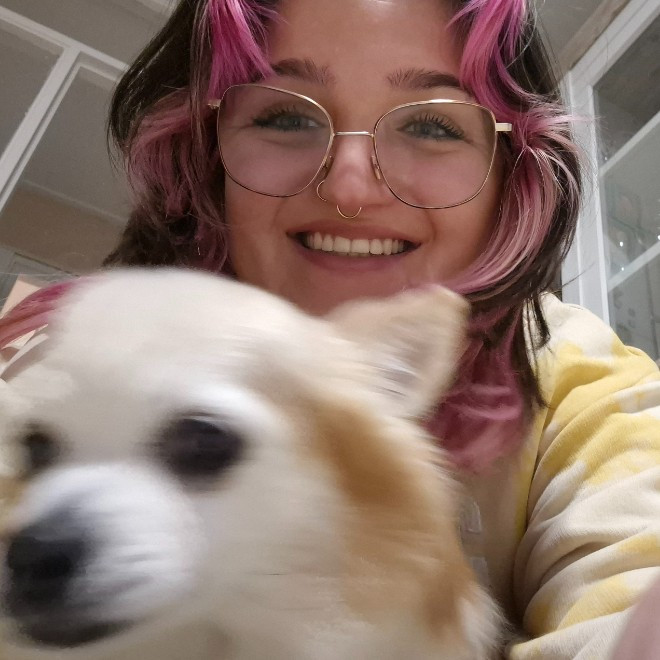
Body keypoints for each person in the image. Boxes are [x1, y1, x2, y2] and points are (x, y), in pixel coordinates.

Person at [1, 0, 659, 657]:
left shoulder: (581, 382)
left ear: (511, 176)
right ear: (207, 152)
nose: (349, 188)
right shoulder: (58, 361)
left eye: (432, 125)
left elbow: (628, 585)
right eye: (285, 116)